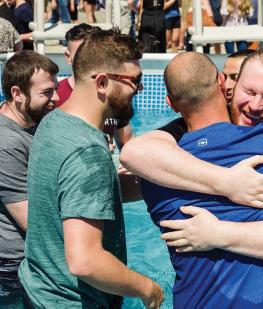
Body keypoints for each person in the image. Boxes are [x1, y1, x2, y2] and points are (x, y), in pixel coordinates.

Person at [123, 49, 263, 307]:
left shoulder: (162, 167)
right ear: (226, 86)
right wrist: (226, 181)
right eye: (249, 92)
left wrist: (218, 233)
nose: (255, 106)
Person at [18, 29, 164, 308]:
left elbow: (74, 196)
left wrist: (159, 186)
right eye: (135, 81)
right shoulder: (89, 153)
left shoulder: (52, 122)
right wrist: (148, 289)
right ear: (102, 82)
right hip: (72, 301)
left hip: (38, 288)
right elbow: (85, 261)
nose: (141, 89)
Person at [0, 51, 59, 307]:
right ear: (17, 94)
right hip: (13, 267)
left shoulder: (32, 120)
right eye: (46, 92)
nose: (55, 98)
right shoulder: (6, 143)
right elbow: (30, 220)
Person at [57, 24, 134, 150]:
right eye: (81, 56)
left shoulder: (115, 93)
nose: (89, 61)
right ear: (68, 57)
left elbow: (127, 140)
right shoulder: (55, 96)